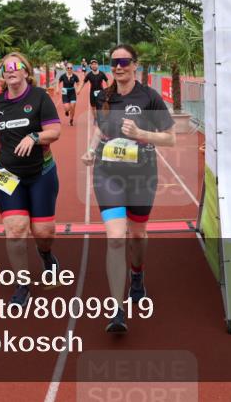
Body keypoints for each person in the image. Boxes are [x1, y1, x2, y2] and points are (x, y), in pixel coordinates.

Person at [81, 45, 175, 333]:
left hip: (141, 175)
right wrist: (90, 150)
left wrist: (141, 134)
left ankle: (137, 275)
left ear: (135, 65)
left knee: (137, 235)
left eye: (123, 62)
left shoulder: (150, 97)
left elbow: (170, 138)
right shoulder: (103, 96)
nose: (118, 67)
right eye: (114, 63)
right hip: (107, 173)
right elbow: (101, 128)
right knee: (116, 238)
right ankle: (116, 309)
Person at [0, 52, 62, 305]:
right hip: (6, 173)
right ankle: (22, 284)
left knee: (43, 231)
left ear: (26, 72)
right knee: (16, 229)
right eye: (5, 67)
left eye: (15, 66)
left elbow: (55, 131)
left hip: (40, 172)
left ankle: (46, 255)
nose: (10, 70)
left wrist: (34, 137)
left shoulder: (40, 97)